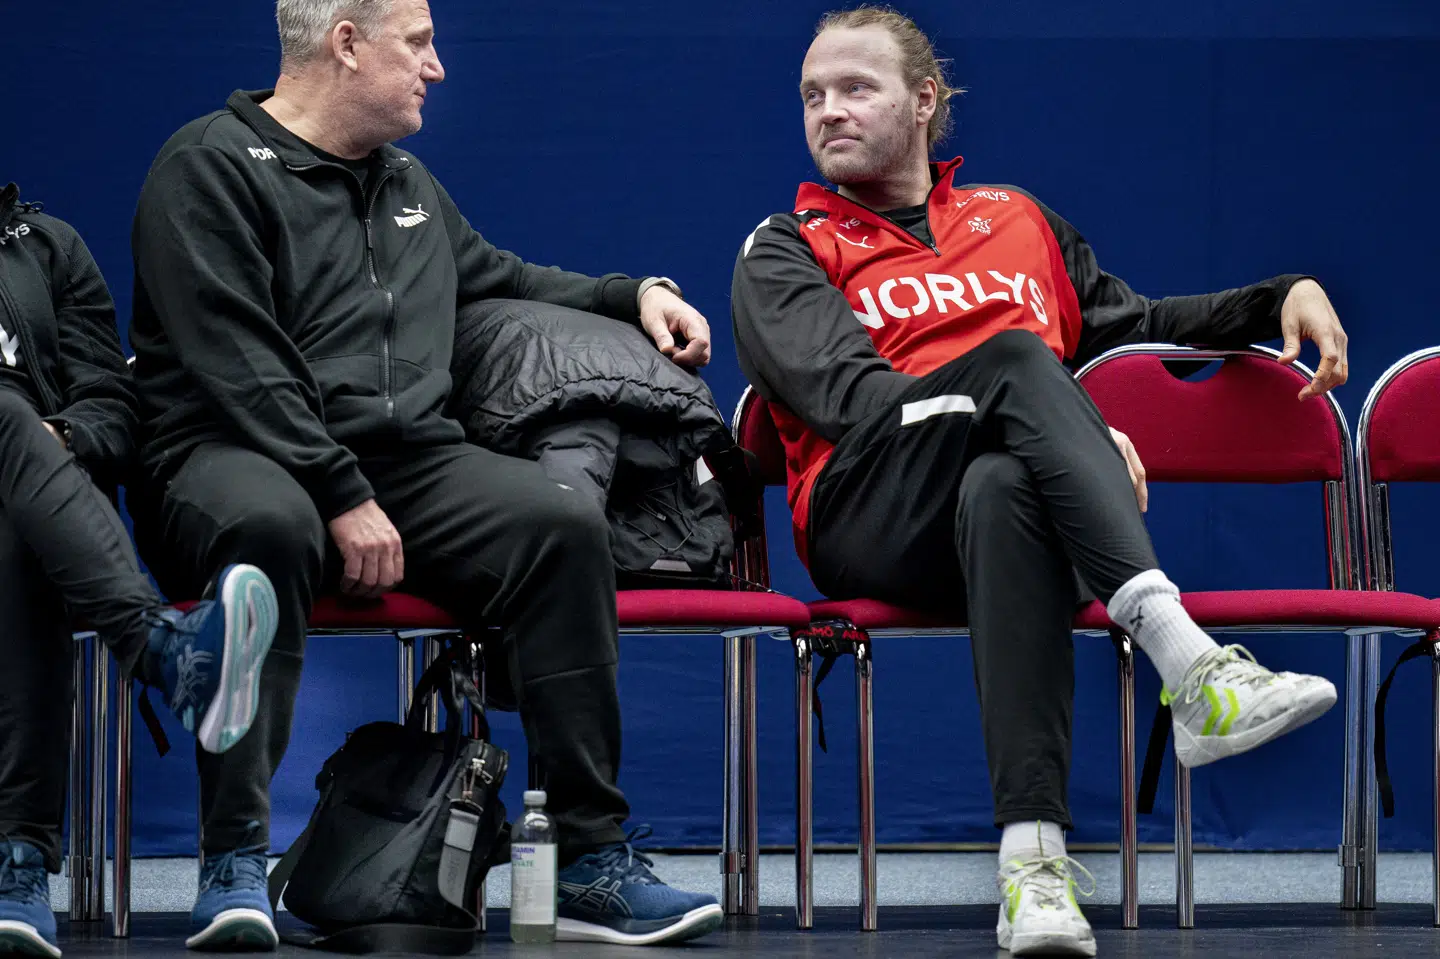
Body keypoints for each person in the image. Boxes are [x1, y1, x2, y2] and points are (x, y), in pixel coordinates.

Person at [731, 7, 1350, 957]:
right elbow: (848, 400)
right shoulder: (784, 246)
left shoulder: (1016, 221)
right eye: (813, 95)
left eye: (857, 88)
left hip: (1012, 516)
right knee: (1021, 367)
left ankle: (1033, 866)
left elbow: (1138, 325)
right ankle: (1190, 662)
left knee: (1005, 489)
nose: (829, 111)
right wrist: (1061, 413)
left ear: (925, 100)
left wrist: (1278, 297)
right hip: (871, 509)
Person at [127, 0, 722, 950]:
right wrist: (340, 494)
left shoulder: (407, 182)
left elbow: (504, 276)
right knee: (271, 527)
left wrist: (634, 293)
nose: (437, 68)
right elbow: (242, 365)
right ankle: (232, 859)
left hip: (405, 466)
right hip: (226, 455)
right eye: (420, 44)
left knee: (560, 525)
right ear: (346, 42)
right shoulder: (205, 167)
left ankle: (590, 858)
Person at [0, 184, 278, 959]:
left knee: (16, 516)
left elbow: (114, 409)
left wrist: (56, 438)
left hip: (27, 506)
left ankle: (14, 860)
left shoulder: (47, 248)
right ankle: (160, 647)